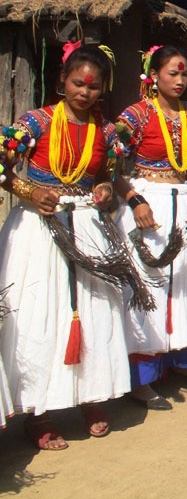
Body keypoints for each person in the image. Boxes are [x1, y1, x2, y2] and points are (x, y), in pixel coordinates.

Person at [0, 44, 132, 448]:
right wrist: (28, 192)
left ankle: (90, 397)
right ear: (61, 80)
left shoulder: (107, 131)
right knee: (41, 313)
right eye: (77, 83)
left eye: (93, 87)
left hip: (87, 224)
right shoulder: (35, 123)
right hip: (39, 229)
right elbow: (3, 168)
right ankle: (39, 412)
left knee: (94, 313)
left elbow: (108, 176)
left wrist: (107, 188)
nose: (85, 92)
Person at [116, 46, 187, 408]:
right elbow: (110, 164)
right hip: (149, 204)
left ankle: (185, 362)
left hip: (185, 203)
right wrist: (133, 199)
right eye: (172, 74)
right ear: (154, 76)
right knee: (150, 286)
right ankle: (142, 377)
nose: (179, 80)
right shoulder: (136, 115)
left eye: (185, 74)